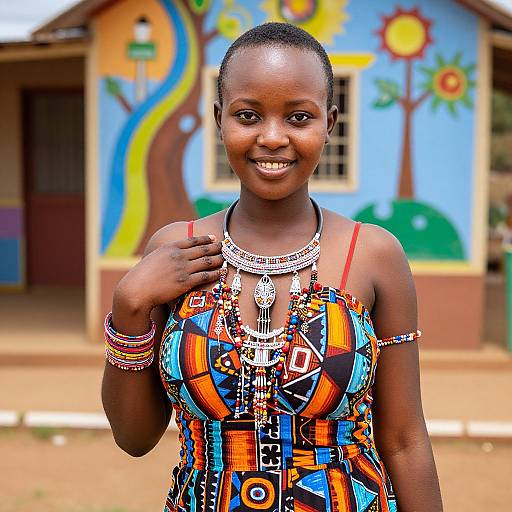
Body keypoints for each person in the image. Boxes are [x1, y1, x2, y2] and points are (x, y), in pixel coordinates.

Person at [102, 22, 443, 512]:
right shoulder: (176, 251)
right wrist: (128, 306)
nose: (273, 137)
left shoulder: (373, 256)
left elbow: (405, 439)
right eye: (248, 115)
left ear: (330, 121)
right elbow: (134, 438)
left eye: (299, 118)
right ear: (220, 119)